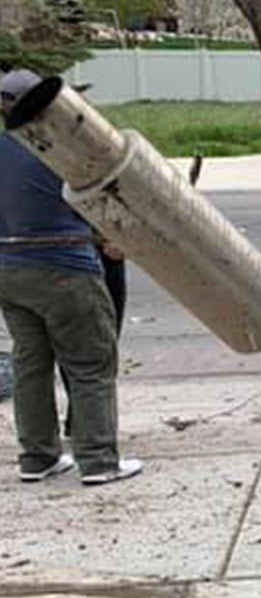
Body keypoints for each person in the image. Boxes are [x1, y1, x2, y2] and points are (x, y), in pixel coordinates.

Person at [0, 69, 142, 485]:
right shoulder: (61, 152)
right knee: (90, 364)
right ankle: (99, 461)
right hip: (64, 266)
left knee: (31, 364)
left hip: (7, 270)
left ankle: (38, 457)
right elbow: (105, 205)